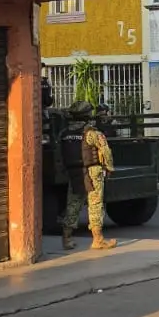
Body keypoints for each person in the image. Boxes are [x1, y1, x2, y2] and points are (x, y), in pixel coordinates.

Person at [59, 101, 117, 252]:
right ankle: (98, 240)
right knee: (95, 204)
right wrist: (109, 168)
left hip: (75, 173)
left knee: (73, 204)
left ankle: (67, 239)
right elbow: (106, 152)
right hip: (93, 172)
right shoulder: (92, 133)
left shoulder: (64, 133)